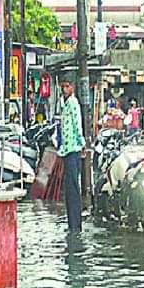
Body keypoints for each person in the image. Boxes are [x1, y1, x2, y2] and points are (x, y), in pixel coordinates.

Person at [58, 78, 84, 233]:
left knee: (73, 188)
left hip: (73, 150)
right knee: (69, 189)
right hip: (67, 150)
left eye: (67, 86)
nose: (64, 89)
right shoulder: (66, 103)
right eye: (63, 86)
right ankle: (72, 224)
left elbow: (77, 125)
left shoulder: (73, 103)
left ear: (72, 87)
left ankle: (76, 225)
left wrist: (82, 144)